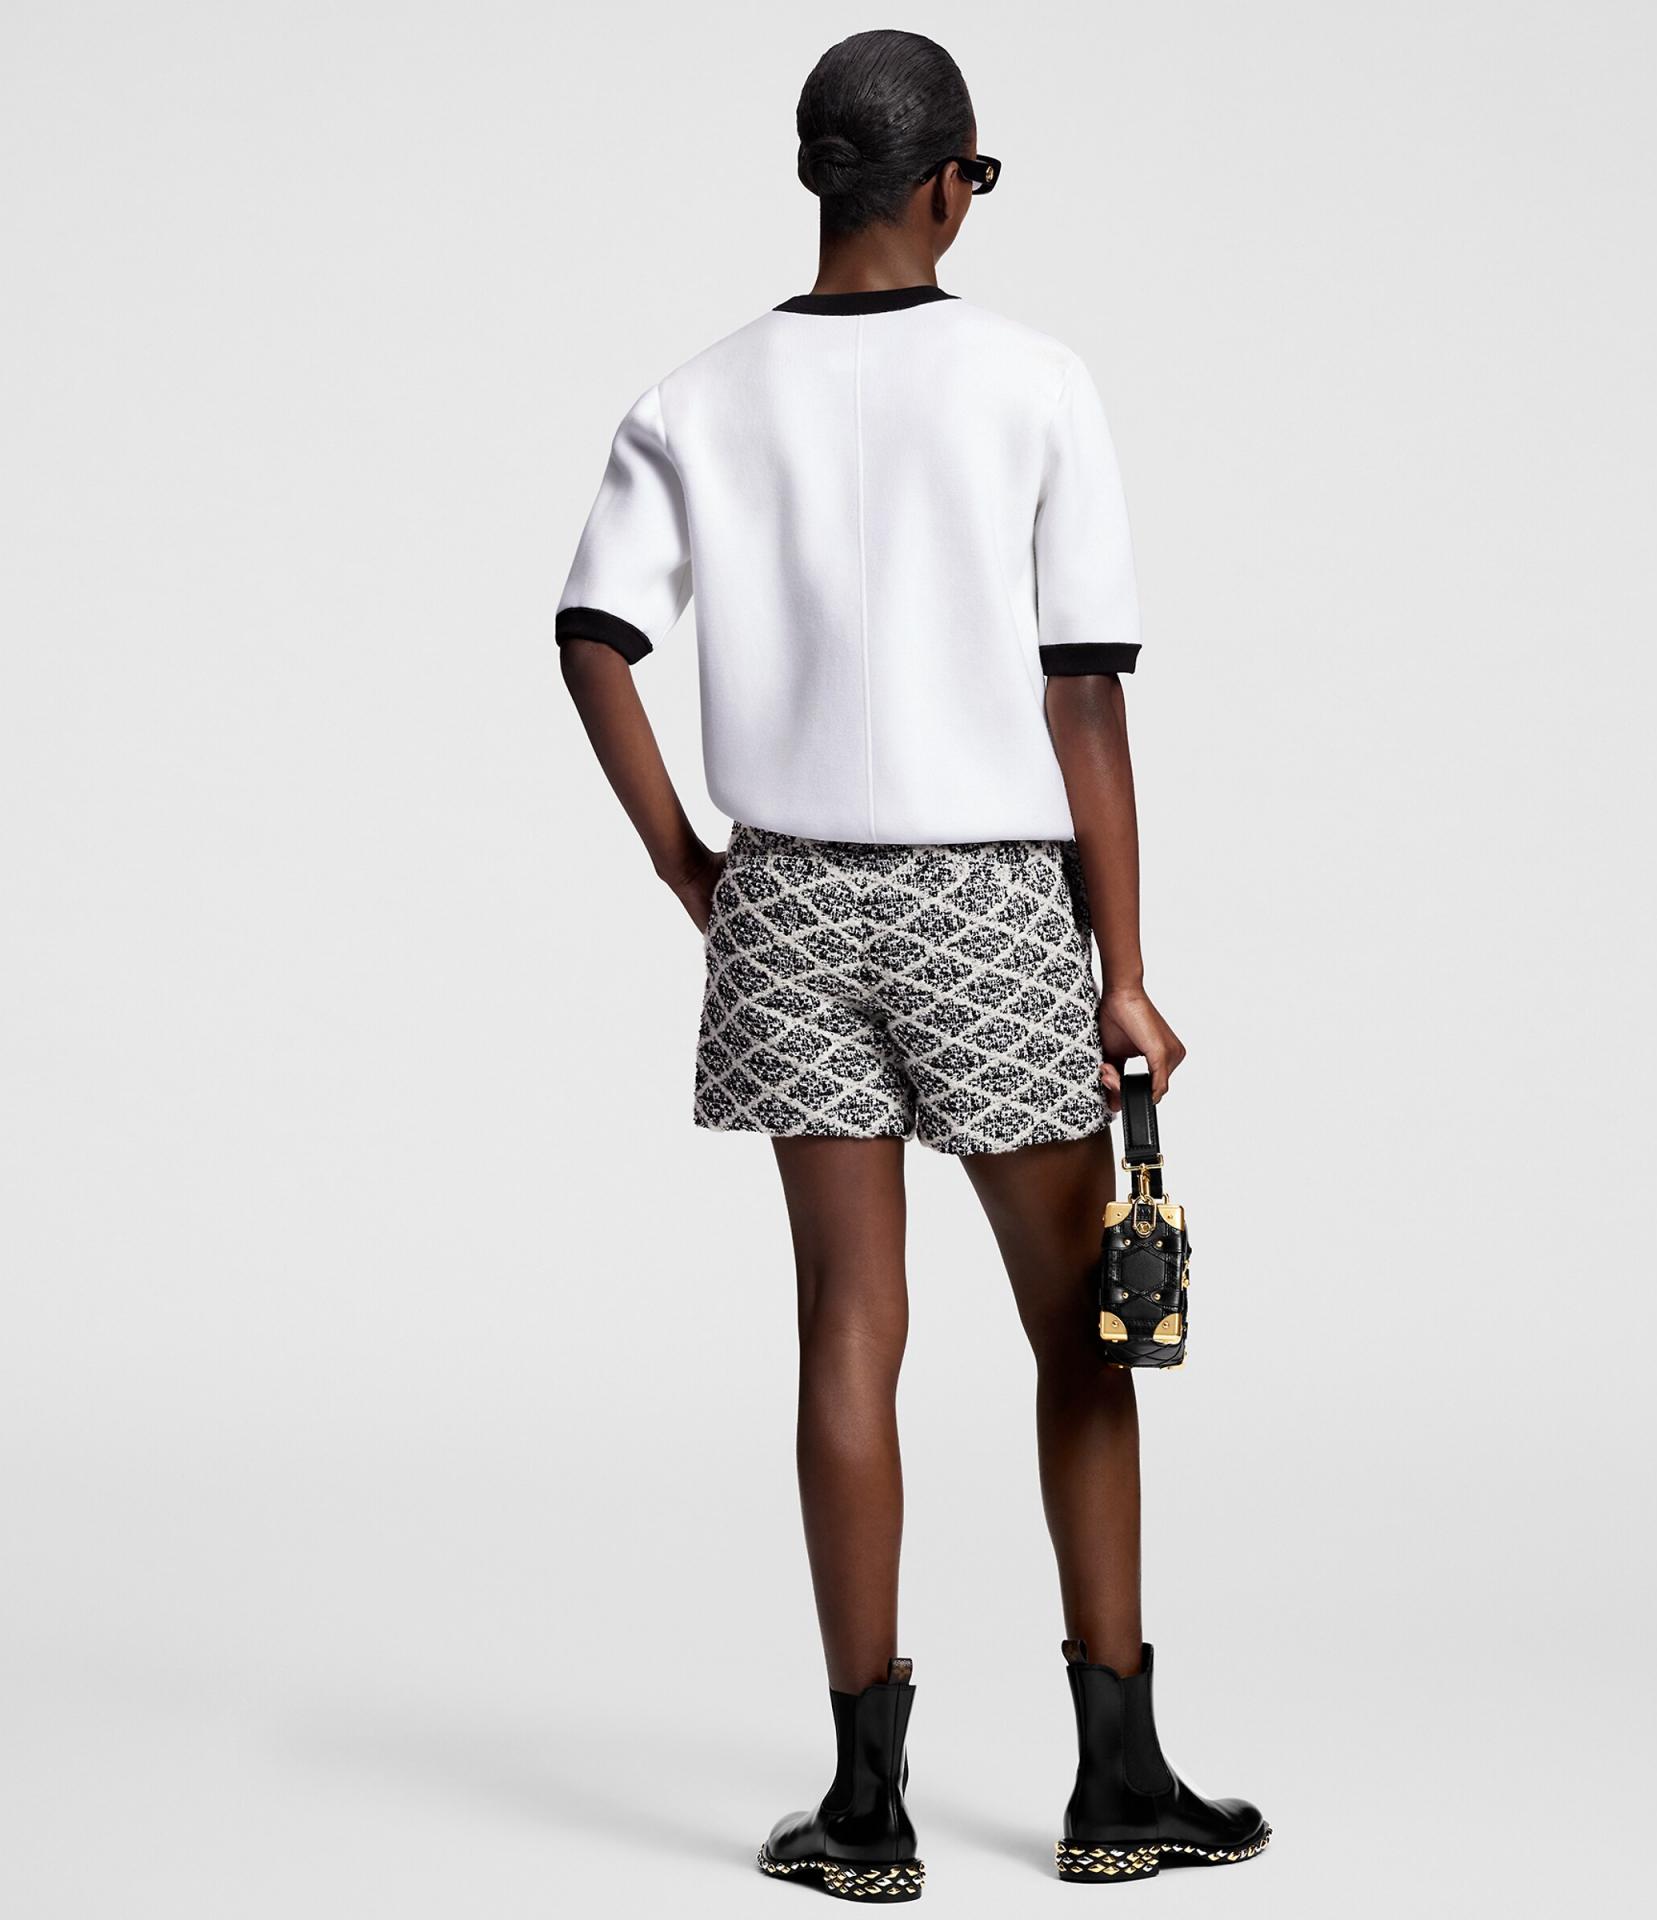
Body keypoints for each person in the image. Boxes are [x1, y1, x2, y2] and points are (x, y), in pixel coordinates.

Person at [555, 27, 1268, 1900]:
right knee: (1083, 1332)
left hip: (787, 899)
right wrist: (1125, 967)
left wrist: (688, 860)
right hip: (990, 906)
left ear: (823, 180)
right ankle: (1119, 1781)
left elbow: (593, 634)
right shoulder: (1035, 383)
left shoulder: (694, 397)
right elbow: (1084, 700)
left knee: (846, 1335)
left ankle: (865, 1809)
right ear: (951, 182)